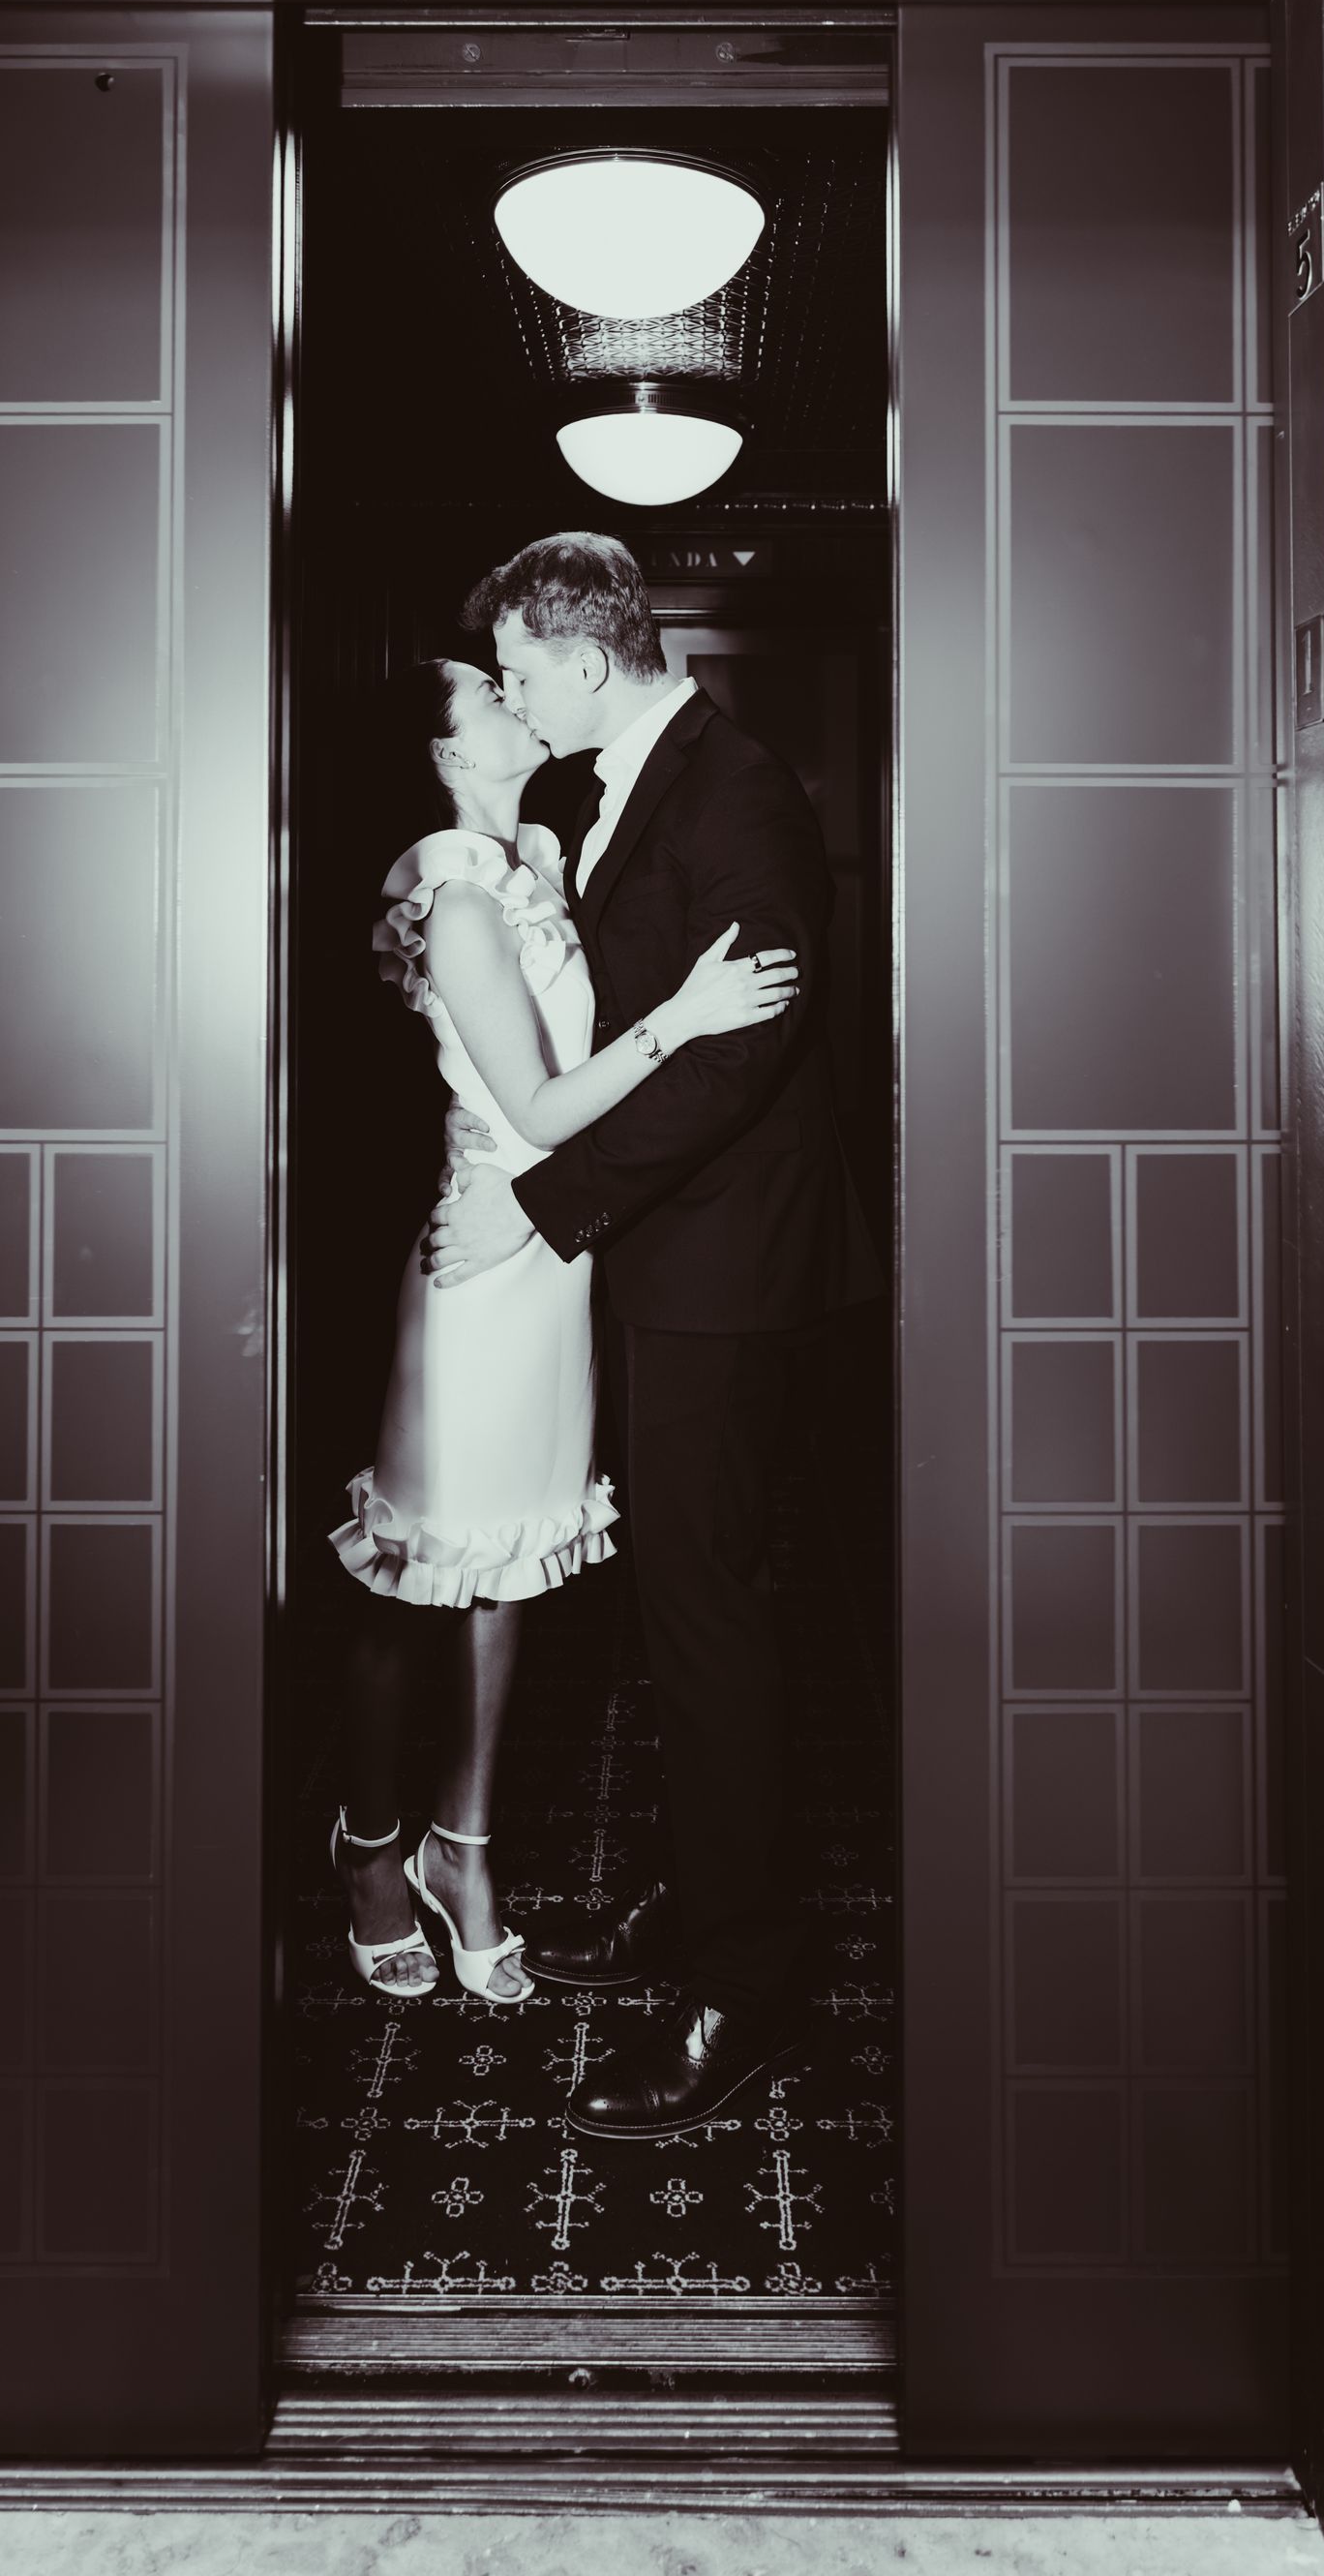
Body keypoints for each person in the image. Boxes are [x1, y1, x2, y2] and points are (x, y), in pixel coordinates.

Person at [427, 531, 876, 2138]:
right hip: (672, 1260)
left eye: (521, 665)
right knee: (686, 1608)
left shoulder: (735, 784)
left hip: (730, 1273)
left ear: (583, 645)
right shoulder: (629, 780)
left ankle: (742, 1993)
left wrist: (551, 1208)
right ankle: (713, 1911)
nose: (513, 692)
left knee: (709, 1613)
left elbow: (739, 1054)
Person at [327, 654, 797, 2011]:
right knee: (422, 1567)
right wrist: (687, 1022)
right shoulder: (459, 897)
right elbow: (534, 1113)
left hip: (555, 1256)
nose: (514, 700)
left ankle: (460, 1853)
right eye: (488, 694)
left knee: (512, 1565)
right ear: (443, 750)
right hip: (487, 1251)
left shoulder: (534, 855)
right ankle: (367, 1852)